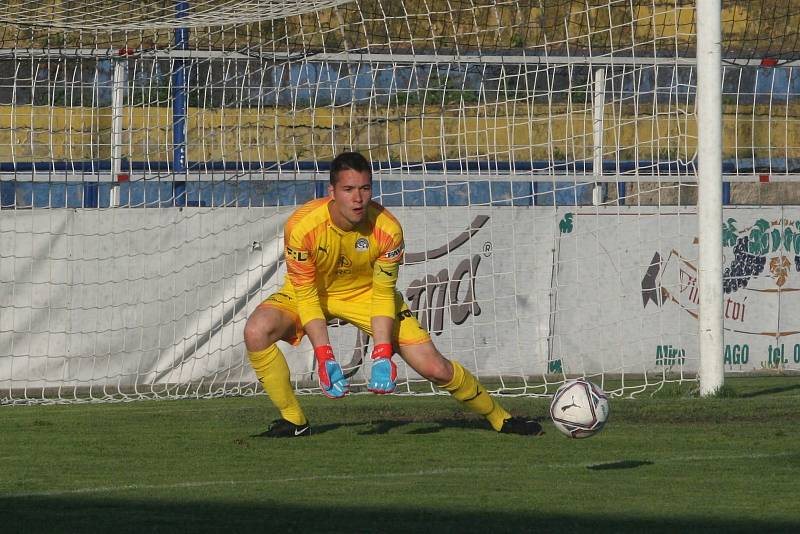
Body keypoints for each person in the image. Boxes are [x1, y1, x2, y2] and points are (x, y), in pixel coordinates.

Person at [244, 151, 542, 437]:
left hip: (367, 295)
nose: (357, 198)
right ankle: (295, 421)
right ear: (331, 191)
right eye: (348, 189)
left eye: (364, 188)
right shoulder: (302, 226)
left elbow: (383, 293)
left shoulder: (388, 229)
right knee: (257, 331)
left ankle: (501, 418)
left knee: (435, 368)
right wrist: (324, 356)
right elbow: (307, 295)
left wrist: (382, 354)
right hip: (311, 294)